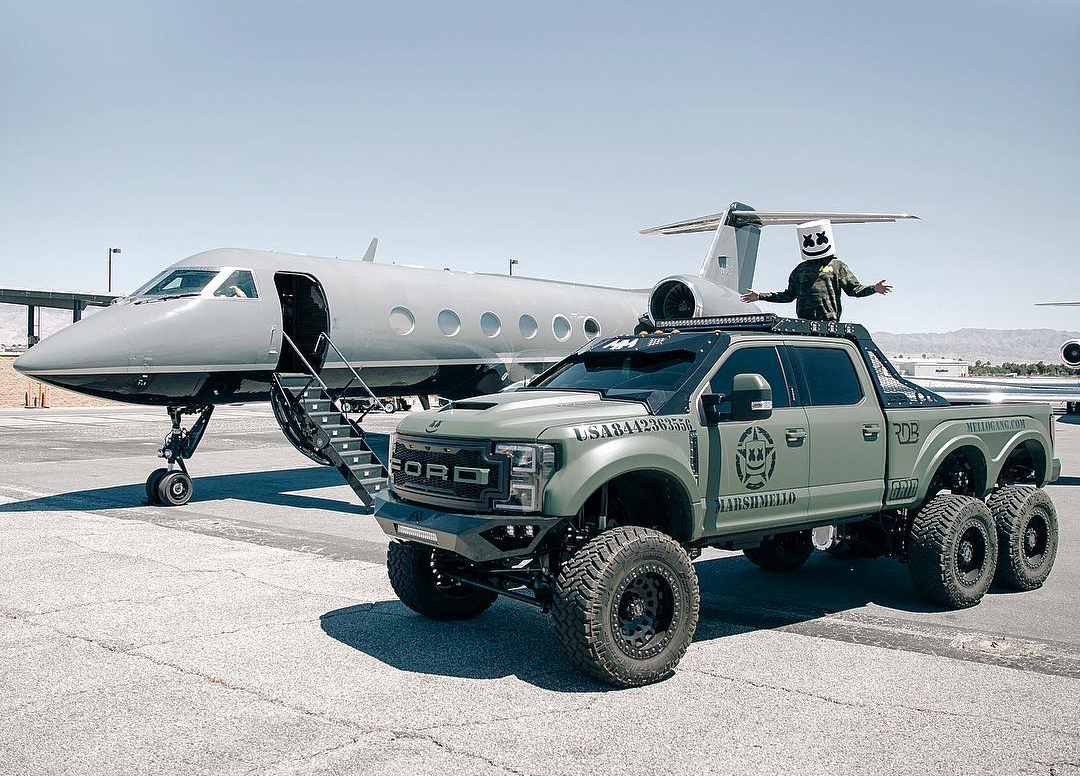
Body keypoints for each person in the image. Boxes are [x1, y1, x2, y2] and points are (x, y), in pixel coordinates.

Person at [741, 219, 892, 321]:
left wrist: (874, 288)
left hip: (829, 324)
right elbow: (788, 295)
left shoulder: (837, 266)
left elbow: (854, 290)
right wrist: (760, 296)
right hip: (804, 323)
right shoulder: (800, 270)